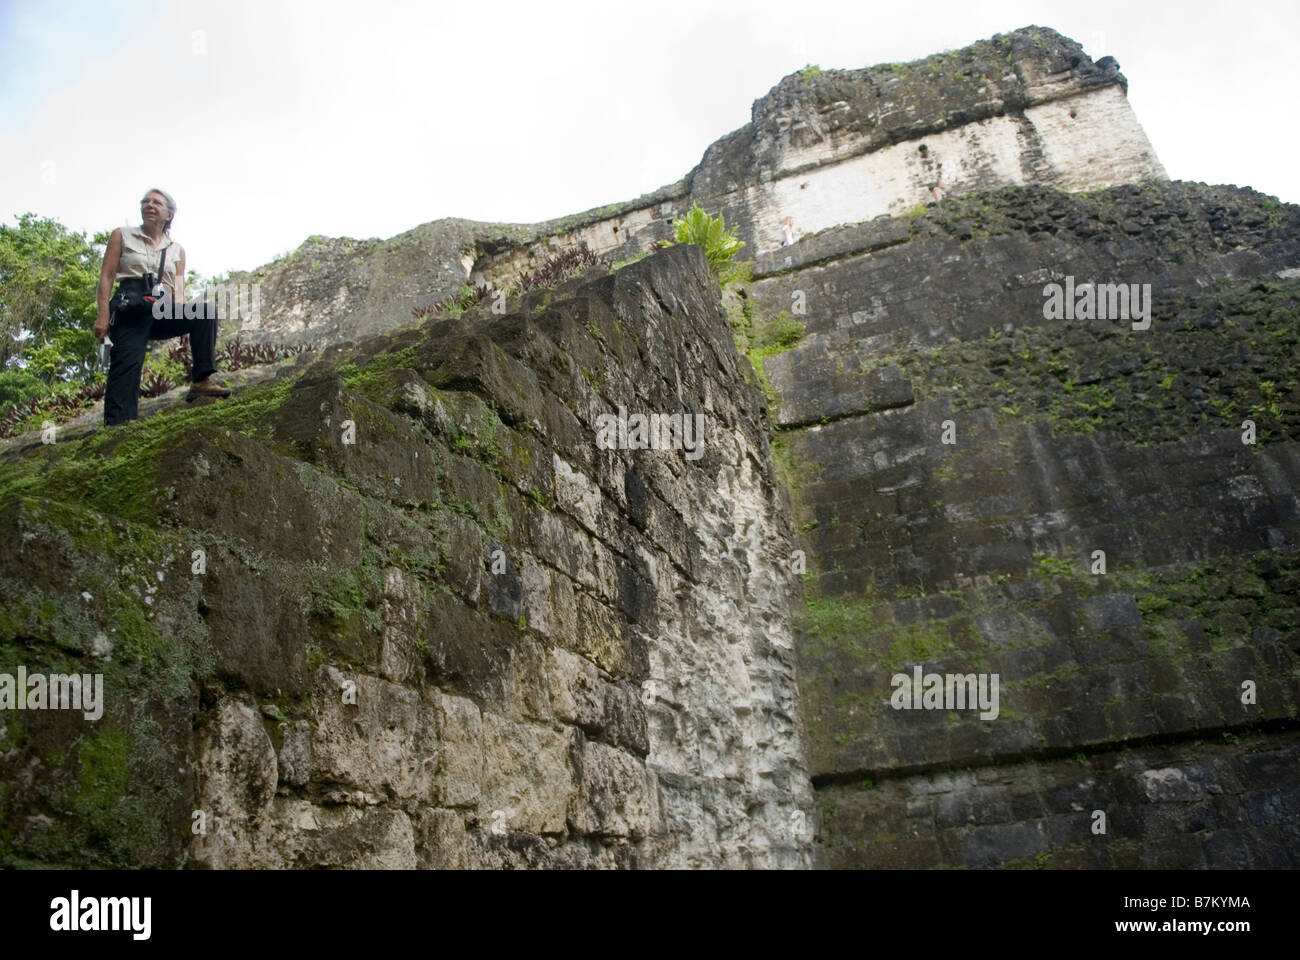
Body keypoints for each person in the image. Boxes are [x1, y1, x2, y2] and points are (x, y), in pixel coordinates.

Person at [94, 189, 231, 426]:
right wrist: (103, 316)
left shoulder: (176, 249)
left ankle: (201, 381)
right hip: (131, 307)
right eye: (145, 202)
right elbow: (106, 277)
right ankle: (118, 426)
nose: (149, 205)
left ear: (169, 214)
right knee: (127, 365)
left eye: (156, 202)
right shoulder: (122, 235)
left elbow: (179, 289)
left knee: (205, 312)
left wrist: (183, 319)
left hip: (162, 306)